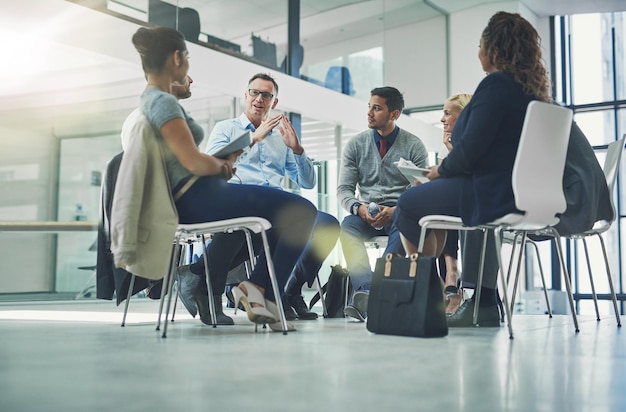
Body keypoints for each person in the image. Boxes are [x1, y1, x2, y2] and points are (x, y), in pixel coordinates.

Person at [127, 26, 317, 331]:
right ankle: (257, 292)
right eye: (187, 58)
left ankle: (255, 291)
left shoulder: (154, 100)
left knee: (284, 216)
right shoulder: (163, 104)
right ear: (177, 58)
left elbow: (190, 159)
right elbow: (192, 161)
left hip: (191, 196)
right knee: (302, 211)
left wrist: (223, 162)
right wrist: (223, 166)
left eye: (265, 95)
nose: (188, 68)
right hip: (194, 198)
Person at [392, 11, 552, 327]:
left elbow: (471, 152)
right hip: (525, 192)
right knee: (430, 210)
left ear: (493, 50)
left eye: (480, 45)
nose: (477, 53)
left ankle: (426, 296)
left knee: (409, 204)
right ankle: (481, 300)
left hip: (494, 191)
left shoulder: (496, 85)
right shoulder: (531, 92)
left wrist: (438, 171)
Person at [196, 72, 340, 321]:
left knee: (327, 223)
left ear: (273, 102)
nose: (259, 98)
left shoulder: (280, 139)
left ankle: (289, 290)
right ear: (245, 96)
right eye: (254, 92)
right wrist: (252, 139)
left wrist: (297, 149)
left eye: (266, 95)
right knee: (289, 218)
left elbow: (307, 182)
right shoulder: (226, 128)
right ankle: (271, 295)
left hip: (277, 205)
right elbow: (213, 168)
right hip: (241, 200)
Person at [337, 86, 429, 321]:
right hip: (366, 212)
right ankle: (367, 291)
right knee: (347, 228)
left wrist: (397, 209)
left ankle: (381, 289)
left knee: (405, 226)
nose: (369, 113)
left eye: (376, 108)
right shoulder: (356, 145)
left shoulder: (414, 145)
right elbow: (344, 190)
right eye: (369, 106)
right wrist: (359, 208)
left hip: (401, 211)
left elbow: (422, 190)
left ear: (394, 114)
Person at [436, 93, 472, 315]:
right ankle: (450, 275)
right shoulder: (445, 143)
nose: (442, 119)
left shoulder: (474, 140)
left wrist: (452, 150)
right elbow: (443, 179)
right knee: (439, 206)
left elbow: (471, 177)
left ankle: (451, 275)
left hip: (472, 204)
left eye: (448, 113)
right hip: (452, 206)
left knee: (444, 204)